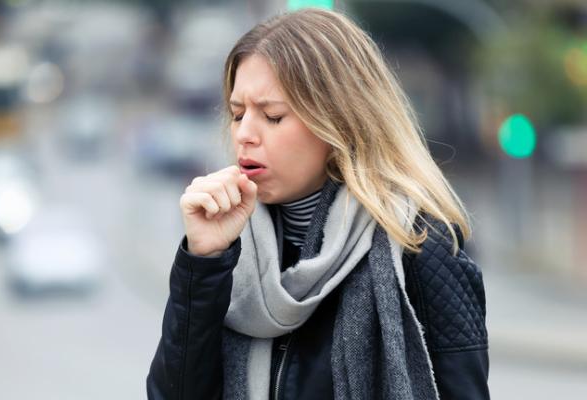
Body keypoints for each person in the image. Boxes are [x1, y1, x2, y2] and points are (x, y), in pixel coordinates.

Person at [147, 7, 489, 400]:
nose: (245, 134)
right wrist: (203, 261)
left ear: (339, 121)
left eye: (272, 116)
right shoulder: (228, 249)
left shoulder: (421, 248)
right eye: (238, 114)